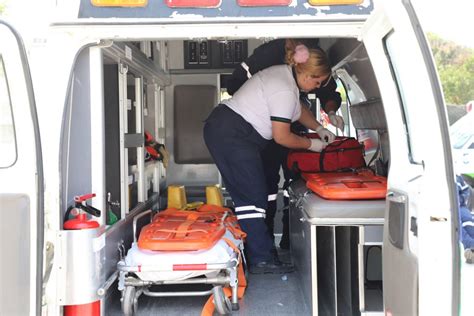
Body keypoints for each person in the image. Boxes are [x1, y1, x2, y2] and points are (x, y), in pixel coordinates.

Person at [204, 47, 336, 274]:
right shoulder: (284, 88)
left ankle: (256, 252)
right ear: (307, 76)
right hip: (231, 133)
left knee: (257, 193)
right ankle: (261, 259)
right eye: (318, 83)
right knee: (252, 197)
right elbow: (282, 136)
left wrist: (318, 128)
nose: (318, 88)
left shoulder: (286, 77)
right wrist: (312, 144)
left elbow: (299, 110)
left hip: (235, 132)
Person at [227, 39, 343, 250]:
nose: (317, 86)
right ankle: (266, 239)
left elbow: (327, 91)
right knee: (266, 183)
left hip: (294, 121)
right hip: (268, 127)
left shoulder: (315, 59)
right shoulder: (270, 55)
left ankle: (292, 239)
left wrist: (330, 114)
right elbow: (236, 85)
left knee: (297, 180)